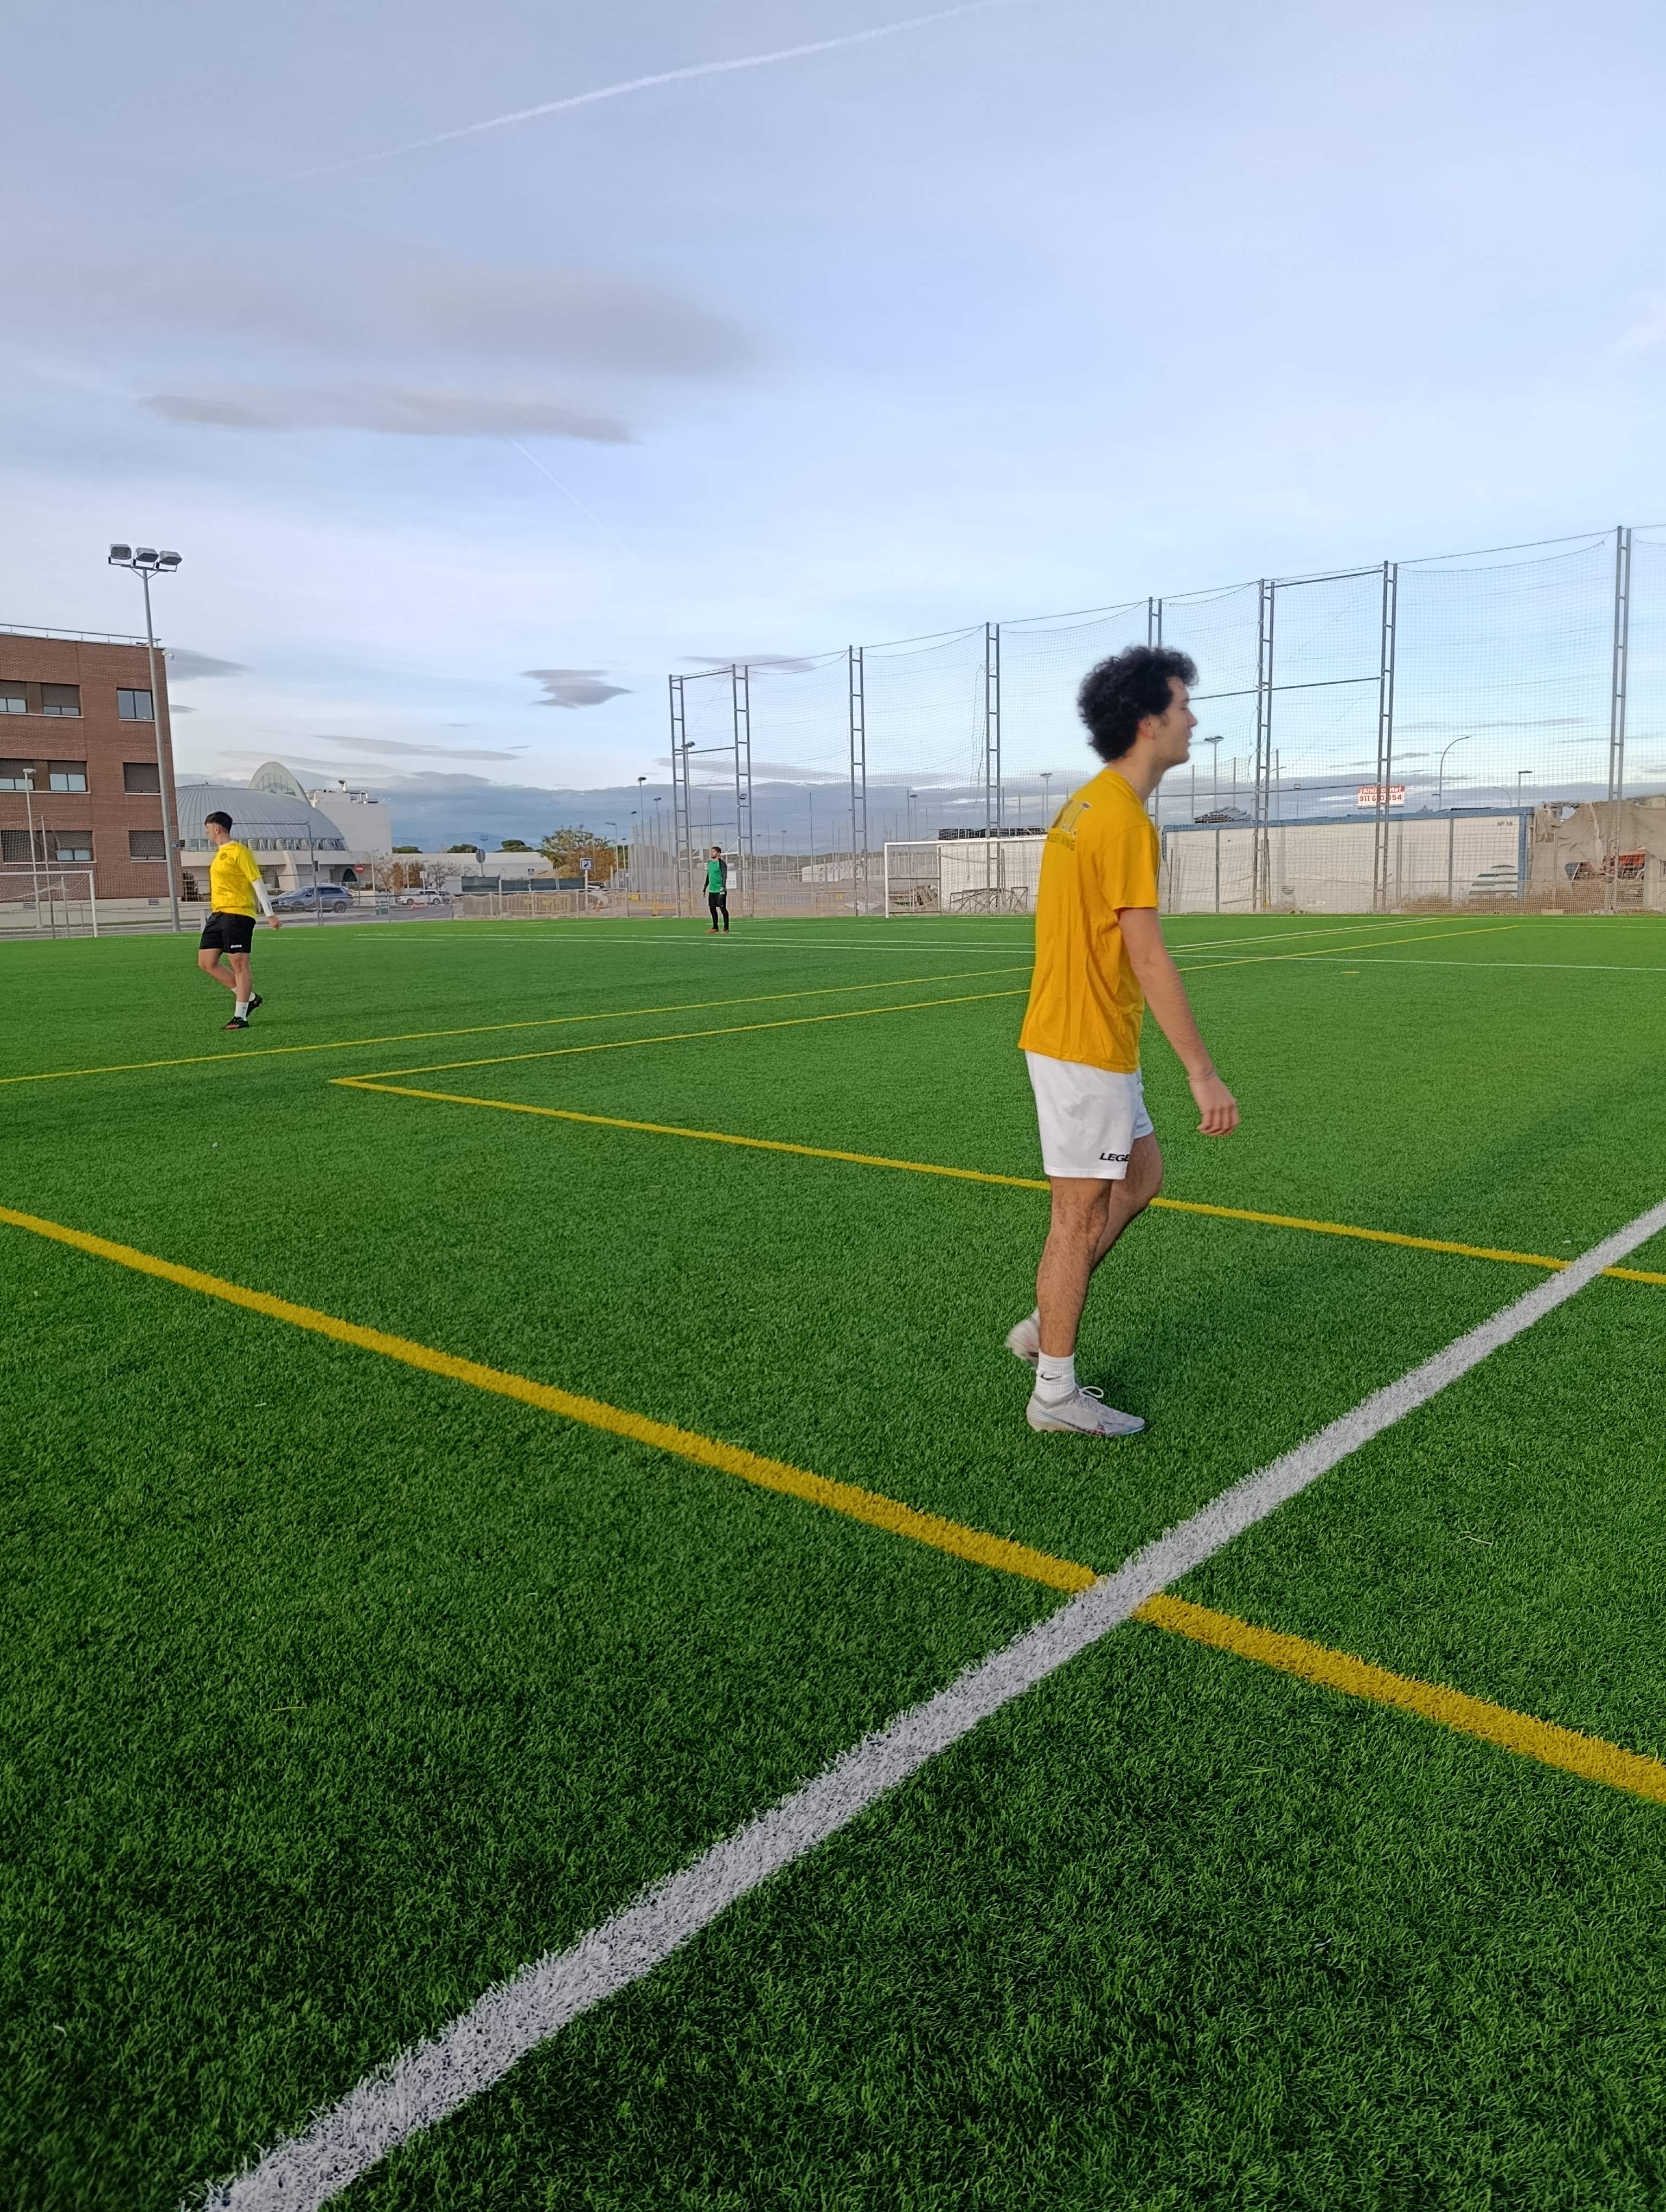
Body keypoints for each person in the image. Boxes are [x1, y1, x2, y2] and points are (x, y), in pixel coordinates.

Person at [1007, 646, 1239, 1436]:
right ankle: (1054, 1394)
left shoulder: (1089, 805)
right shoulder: (1121, 820)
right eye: (1182, 706)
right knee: (1076, 1219)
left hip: (1085, 1039)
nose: (1192, 720)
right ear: (1148, 723)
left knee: (1142, 1178)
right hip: (1083, 1047)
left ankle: (1046, 1325)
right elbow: (1148, 956)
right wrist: (1202, 1073)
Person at [198, 811, 280, 1029]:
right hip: (218, 914)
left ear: (217, 828)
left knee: (239, 964)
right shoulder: (219, 854)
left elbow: (257, 882)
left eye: (208, 829)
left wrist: (270, 914)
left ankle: (241, 1016)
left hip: (238, 914)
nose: (207, 834)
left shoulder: (240, 852)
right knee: (206, 962)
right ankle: (250, 998)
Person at [705, 846, 731, 933]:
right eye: (711, 851)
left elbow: (724, 876)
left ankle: (726, 928)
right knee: (712, 909)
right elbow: (709, 875)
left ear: (718, 853)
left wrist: (722, 889)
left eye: (714, 852)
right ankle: (715, 927)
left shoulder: (722, 864)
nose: (712, 853)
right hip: (712, 891)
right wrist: (705, 886)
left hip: (721, 891)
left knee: (723, 908)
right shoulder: (709, 863)